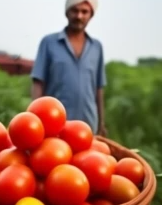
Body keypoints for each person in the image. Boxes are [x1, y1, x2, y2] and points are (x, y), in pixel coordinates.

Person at [30, 0, 107, 136]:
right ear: (67, 12)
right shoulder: (49, 43)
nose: (79, 16)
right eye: (75, 10)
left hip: (88, 124)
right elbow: (38, 82)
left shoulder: (97, 47)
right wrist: (33, 118)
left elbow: (98, 88)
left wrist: (101, 124)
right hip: (54, 123)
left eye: (84, 12)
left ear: (91, 15)